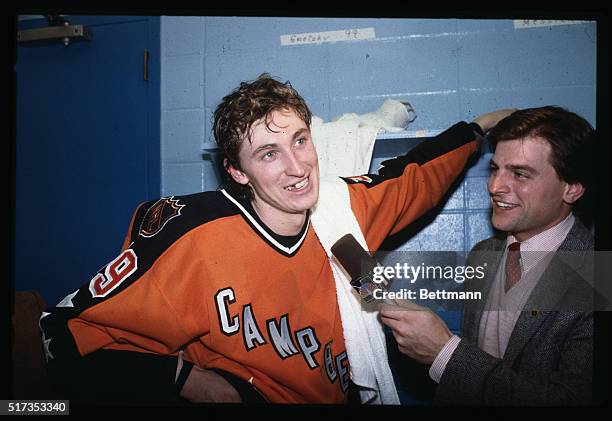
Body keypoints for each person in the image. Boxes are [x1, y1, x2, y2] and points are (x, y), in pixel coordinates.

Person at [40, 73, 512, 404]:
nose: (297, 166)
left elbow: (413, 177)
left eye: (300, 140)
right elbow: (67, 334)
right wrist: (181, 377)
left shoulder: (340, 211)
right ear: (235, 170)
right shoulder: (194, 235)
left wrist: (478, 128)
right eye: (268, 153)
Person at [380, 106, 595, 406]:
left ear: (572, 188)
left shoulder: (596, 278)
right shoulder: (484, 254)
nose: (494, 187)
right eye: (495, 169)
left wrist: (445, 352)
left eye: (520, 174)